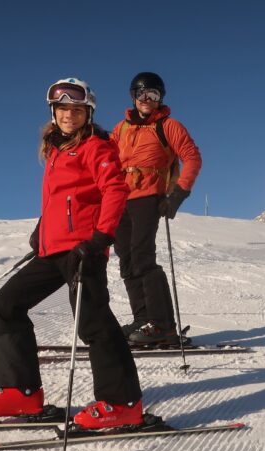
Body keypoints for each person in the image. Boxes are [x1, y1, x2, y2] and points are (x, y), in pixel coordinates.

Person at [0, 78, 144, 430]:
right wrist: (42, 229)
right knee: (5, 306)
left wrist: (100, 238)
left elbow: (114, 190)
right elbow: (59, 200)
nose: (69, 114)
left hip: (83, 249)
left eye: (76, 109)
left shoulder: (96, 146)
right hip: (54, 249)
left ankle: (122, 403)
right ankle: (19, 392)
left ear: (87, 112)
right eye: (62, 108)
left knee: (93, 323)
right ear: (54, 111)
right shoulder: (55, 149)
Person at [110, 72, 203, 346]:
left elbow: (192, 158)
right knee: (126, 260)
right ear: (133, 96)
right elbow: (107, 163)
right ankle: (143, 320)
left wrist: (178, 194)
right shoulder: (121, 129)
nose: (147, 99)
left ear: (161, 98)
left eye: (154, 94)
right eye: (142, 94)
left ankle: (163, 326)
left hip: (148, 197)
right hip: (120, 199)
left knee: (142, 258)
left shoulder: (168, 126)